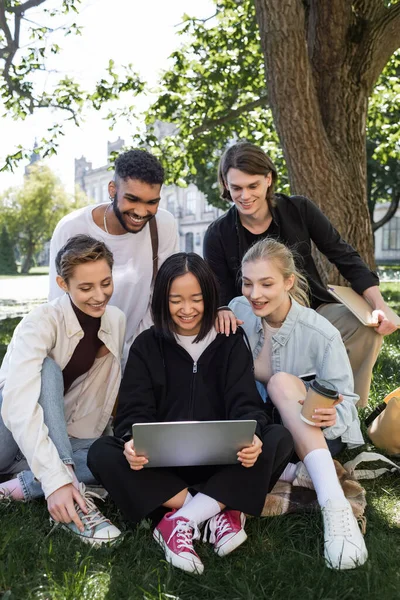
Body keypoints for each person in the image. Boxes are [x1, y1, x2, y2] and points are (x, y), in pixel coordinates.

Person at [87, 253, 294, 574]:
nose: (187, 309)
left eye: (196, 299)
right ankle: (218, 510)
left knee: (277, 437)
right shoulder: (146, 346)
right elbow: (132, 412)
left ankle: (179, 521)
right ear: (161, 301)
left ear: (210, 297)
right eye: (175, 300)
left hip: (225, 463)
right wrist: (130, 441)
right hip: (162, 470)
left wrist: (251, 436)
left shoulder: (229, 340)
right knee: (102, 453)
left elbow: (246, 402)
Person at [203, 141, 397, 406]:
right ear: (225, 184)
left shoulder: (299, 210)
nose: (245, 196)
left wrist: (379, 305)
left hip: (312, 308)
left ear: (268, 179)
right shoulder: (218, 234)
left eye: (253, 186)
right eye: (236, 187)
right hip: (260, 323)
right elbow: (219, 292)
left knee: (365, 329)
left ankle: (346, 407)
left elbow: (342, 255)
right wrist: (221, 308)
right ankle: (276, 405)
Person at [229, 237, 368, 570]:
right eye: (248, 283)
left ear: (288, 282)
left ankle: (335, 508)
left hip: (315, 435)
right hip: (264, 434)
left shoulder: (320, 334)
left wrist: (331, 414)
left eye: (266, 283)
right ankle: (291, 472)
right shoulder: (238, 310)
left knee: (280, 382)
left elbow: (348, 403)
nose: (255, 294)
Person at [0, 235, 126, 546]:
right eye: (86, 288)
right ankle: (66, 486)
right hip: (7, 435)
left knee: (117, 455)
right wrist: (58, 477)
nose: (99, 296)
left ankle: (21, 486)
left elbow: (99, 395)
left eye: (106, 283)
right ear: (62, 283)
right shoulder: (38, 324)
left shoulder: (115, 320)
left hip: (52, 438)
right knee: (48, 369)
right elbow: (19, 409)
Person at [49, 149, 179, 363]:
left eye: (151, 202)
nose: (141, 211)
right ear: (112, 190)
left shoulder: (163, 225)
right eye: (132, 199)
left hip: (138, 350)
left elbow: (161, 293)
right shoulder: (72, 227)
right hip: (78, 352)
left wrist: (136, 351)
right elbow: (58, 302)